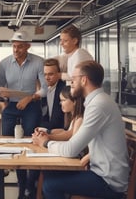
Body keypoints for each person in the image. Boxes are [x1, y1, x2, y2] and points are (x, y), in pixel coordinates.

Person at [36, 60, 129, 198]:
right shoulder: (99, 101)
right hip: (102, 173)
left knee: (50, 185)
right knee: (50, 173)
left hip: (108, 182)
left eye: (73, 79)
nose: (70, 83)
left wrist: (45, 142)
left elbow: (71, 149)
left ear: (84, 80)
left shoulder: (98, 105)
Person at [0, 31, 47, 199]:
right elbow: (0, 87)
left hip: (31, 104)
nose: (16, 50)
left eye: (20, 46)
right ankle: (21, 183)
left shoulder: (39, 62)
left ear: (28, 46)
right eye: (14, 46)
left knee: (32, 142)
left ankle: (30, 185)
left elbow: (45, 89)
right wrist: (3, 100)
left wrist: (30, 97)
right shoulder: (4, 64)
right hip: (11, 106)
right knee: (9, 142)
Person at [41, 58, 66, 130]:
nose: (47, 78)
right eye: (45, 74)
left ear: (59, 74)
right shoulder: (42, 90)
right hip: (45, 129)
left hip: (61, 130)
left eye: (50, 74)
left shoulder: (64, 89)